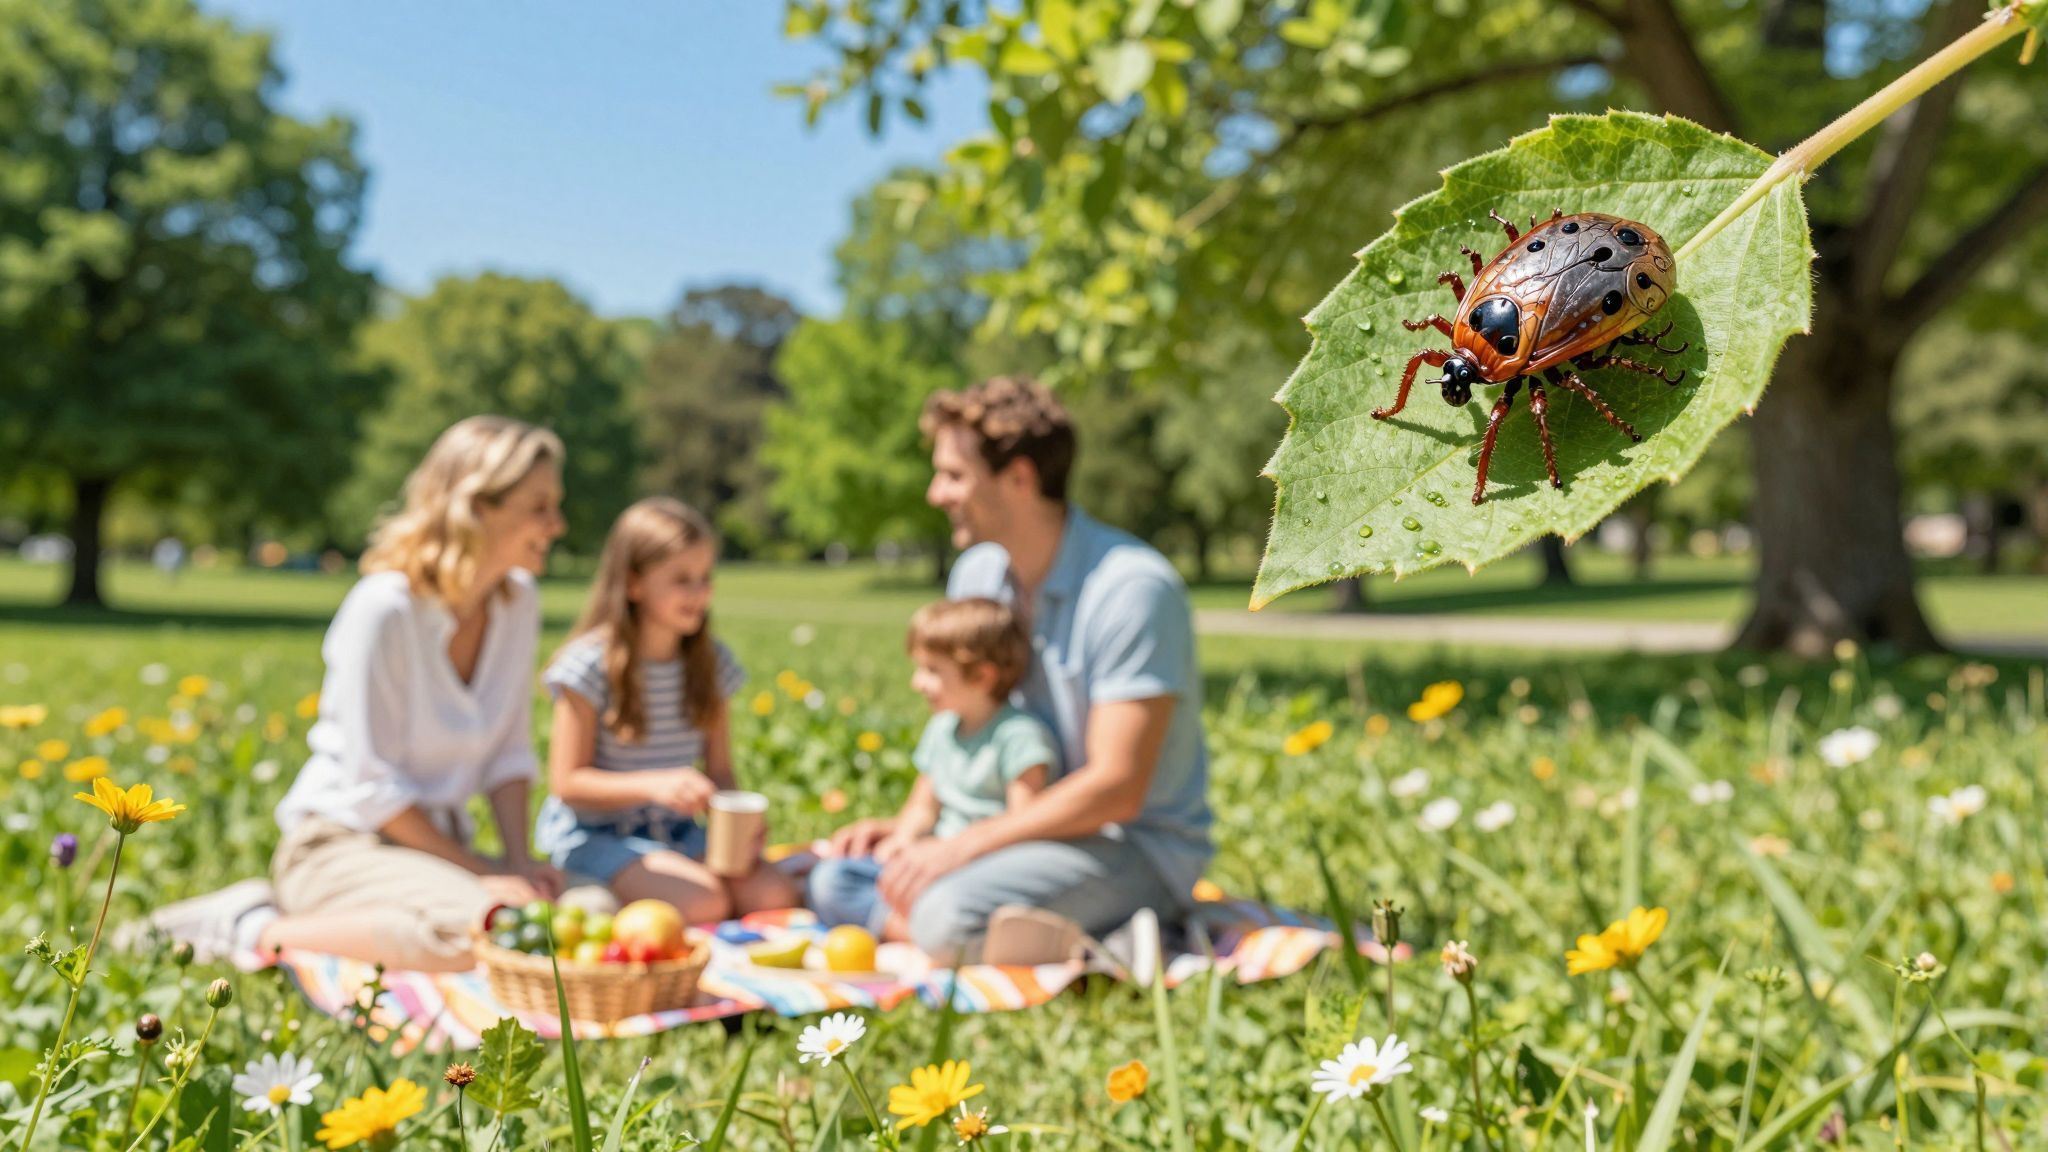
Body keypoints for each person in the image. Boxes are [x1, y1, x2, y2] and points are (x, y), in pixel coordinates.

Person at [146, 416, 568, 970]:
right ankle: (249, 925)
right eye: (539, 507)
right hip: (339, 845)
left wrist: (517, 861)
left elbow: (510, 754)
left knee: (577, 908)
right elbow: (376, 789)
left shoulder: (518, 602)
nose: (557, 524)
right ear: (478, 505)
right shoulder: (385, 608)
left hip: (435, 851)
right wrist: (486, 874)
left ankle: (392, 921)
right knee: (481, 930)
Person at [823, 376, 1213, 962]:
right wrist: (913, 832)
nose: (935, 494)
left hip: (1129, 846)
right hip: (1012, 830)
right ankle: (1036, 933)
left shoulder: (1132, 589)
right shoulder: (977, 576)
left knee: (946, 913)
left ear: (1021, 478)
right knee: (835, 878)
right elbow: (965, 721)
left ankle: (1126, 925)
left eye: (954, 476)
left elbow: (1117, 789)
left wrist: (958, 851)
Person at [538, 497, 797, 921]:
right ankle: (583, 888)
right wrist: (654, 785)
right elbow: (567, 782)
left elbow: (720, 771)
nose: (700, 592)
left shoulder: (711, 665)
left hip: (675, 833)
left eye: (705, 577)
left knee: (773, 896)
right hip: (596, 836)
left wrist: (737, 824)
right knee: (704, 901)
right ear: (634, 583)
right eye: (682, 579)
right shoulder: (587, 668)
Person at [808, 597, 1056, 939]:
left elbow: (1024, 823)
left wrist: (952, 854)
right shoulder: (942, 728)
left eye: (932, 671)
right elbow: (923, 806)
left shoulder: (1019, 737)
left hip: (980, 868)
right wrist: (903, 841)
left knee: (851, 892)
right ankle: (920, 930)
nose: (917, 683)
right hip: (932, 861)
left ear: (982, 676)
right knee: (829, 878)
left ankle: (921, 933)